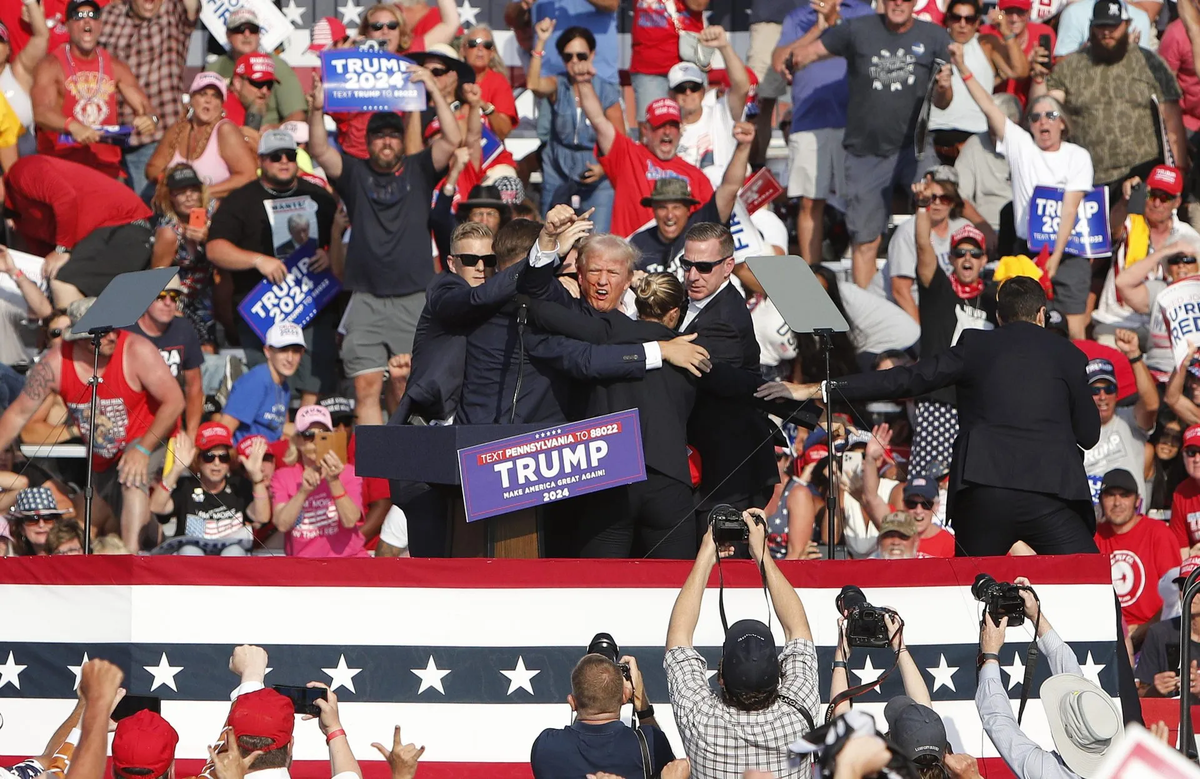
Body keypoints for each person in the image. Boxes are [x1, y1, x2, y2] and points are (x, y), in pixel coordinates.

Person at [758, 277, 1101, 555]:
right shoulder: (1069, 355)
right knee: (1091, 588)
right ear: (1041, 315)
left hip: (984, 495)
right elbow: (1088, 434)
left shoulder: (976, 346)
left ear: (999, 317)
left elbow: (903, 379)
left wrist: (818, 388)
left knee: (972, 594)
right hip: (1052, 496)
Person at [307, 66, 459, 427]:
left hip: (414, 298)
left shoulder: (420, 168)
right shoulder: (355, 173)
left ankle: (414, 473)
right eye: (379, 136)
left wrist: (434, 90)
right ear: (369, 142)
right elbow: (318, 149)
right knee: (366, 388)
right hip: (366, 299)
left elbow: (452, 140)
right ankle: (377, 475)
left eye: (393, 135)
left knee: (414, 390)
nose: (387, 142)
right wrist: (316, 109)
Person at [780, 0, 953, 288]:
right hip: (866, 153)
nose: (898, 2)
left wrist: (945, 88)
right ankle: (868, 317)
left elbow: (943, 103)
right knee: (866, 240)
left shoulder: (934, 36)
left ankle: (933, 302)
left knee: (937, 219)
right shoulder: (856, 29)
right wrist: (793, 62)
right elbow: (805, 55)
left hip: (916, 149)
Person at [0, 296, 185, 553]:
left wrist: (143, 449)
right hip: (103, 452)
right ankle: (155, 540)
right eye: (104, 332)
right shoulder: (55, 364)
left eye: (113, 329)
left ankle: (131, 562)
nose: (112, 337)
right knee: (119, 508)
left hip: (148, 435)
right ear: (83, 337)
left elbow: (175, 401)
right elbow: (18, 413)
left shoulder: (136, 350)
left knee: (132, 480)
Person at [951, 40, 1094, 337]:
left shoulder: (1077, 155)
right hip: (1025, 252)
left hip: (1067, 254)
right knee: (1022, 328)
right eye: (1036, 116)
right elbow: (988, 106)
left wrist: (1052, 261)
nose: (1043, 121)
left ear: (1063, 124)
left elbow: (1070, 207)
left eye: (1051, 115)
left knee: (1075, 329)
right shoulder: (1022, 146)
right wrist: (963, 67)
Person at [665, 509, 818, 778]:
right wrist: (762, 554)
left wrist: (705, 556)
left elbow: (679, 639)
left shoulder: (702, 722)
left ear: (721, 677)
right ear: (780, 677)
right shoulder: (798, 714)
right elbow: (798, 629)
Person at [207, 129, 339, 406]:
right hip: (261, 310)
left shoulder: (318, 196)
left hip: (312, 303)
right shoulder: (239, 200)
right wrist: (257, 260)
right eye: (274, 156)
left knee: (314, 384)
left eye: (290, 156)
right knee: (266, 384)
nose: (283, 161)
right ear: (260, 160)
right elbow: (215, 249)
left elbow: (343, 237)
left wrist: (331, 256)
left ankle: (307, 436)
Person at [978, 577, 1124, 778]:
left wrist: (990, 654)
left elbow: (998, 721)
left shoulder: (1049, 772)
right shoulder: (1125, 770)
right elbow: (1072, 676)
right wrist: (1037, 617)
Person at [1035, 0, 1186, 191]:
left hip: (1142, 174)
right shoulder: (1070, 68)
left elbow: (1171, 118)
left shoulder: (1150, 63)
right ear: (1091, 26)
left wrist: (1180, 170)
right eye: (1101, 26)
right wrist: (1039, 79)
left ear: (1127, 25)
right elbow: (1049, 108)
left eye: (1113, 26)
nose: (1107, 32)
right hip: (1087, 178)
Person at [773, 0, 873, 266]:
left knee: (859, 202)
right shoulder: (797, 17)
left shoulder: (863, 12)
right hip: (808, 120)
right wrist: (818, 28)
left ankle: (861, 275)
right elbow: (778, 63)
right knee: (809, 203)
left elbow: (872, 52)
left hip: (854, 121)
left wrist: (835, 20)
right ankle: (812, 278)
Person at [4, 154, 153, 307]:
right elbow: (43, 261)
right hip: (97, 242)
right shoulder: (17, 218)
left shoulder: (22, 171)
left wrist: (62, 249)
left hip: (123, 223)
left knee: (63, 283)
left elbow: (65, 198)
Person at [577, 71, 714, 238]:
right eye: (660, 126)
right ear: (645, 131)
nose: (667, 132)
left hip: (675, 261)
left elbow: (710, 227)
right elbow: (598, 120)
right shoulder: (627, 156)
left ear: (680, 131)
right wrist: (583, 83)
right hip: (629, 257)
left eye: (672, 126)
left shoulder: (697, 177)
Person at [31, 0, 157, 179]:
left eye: (93, 16)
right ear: (67, 26)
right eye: (79, 17)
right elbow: (41, 112)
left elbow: (145, 106)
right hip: (63, 166)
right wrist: (73, 126)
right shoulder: (51, 65)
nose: (87, 21)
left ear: (100, 25)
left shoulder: (115, 65)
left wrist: (150, 118)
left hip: (105, 167)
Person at [525, 22, 624, 232]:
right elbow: (533, 85)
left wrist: (604, 168)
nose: (575, 61)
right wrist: (541, 40)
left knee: (598, 240)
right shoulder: (558, 84)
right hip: (558, 170)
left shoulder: (606, 91)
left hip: (597, 175)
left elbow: (620, 141)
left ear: (592, 55)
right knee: (551, 235)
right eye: (568, 57)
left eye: (581, 55)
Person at [96, 0, 198, 199]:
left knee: (151, 206)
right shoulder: (108, 16)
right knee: (113, 210)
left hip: (157, 136)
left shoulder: (172, 14)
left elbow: (191, 7)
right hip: (111, 136)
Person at [630, 121, 755, 274]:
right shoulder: (638, 244)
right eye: (662, 207)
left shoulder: (702, 225)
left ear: (688, 209)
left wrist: (743, 147)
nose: (670, 215)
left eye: (676, 207)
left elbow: (730, 188)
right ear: (654, 210)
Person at [530, 652, 675, 777]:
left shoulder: (546, 745)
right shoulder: (648, 744)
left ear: (572, 702)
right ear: (625, 696)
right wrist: (641, 704)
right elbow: (672, 770)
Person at [1095, 165, 1198, 341]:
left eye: (1165, 198)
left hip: (1164, 329)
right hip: (1117, 321)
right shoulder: (1130, 222)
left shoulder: (1189, 237)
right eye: (1153, 195)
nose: (1157, 203)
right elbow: (1112, 228)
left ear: (1177, 202)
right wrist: (1125, 200)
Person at [870, 166, 975, 322]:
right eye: (931, 198)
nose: (938, 203)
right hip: (890, 311)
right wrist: (923, 333)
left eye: (945, 198)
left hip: (933, 308)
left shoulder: (964, 228)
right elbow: (900, 291)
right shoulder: (907, 231)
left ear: (953, 202)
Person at [1093, 467, 1181, 645]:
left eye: (1124, 495)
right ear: (1101, 500)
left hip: (1155, 633)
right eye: (1110, 495)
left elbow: (1176, 596)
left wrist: (1145, 628)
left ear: (1137, 500)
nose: (1117, 502)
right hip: (1107, 635)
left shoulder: (1158, 534)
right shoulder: (1094, 537)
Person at [150, 423, 268, 556]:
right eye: (209, 457)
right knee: (190, 551)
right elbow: (156, 507)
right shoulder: (186, 486)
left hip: (231, 562)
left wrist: (257, 478)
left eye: (223, 457)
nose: (216, 463)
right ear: (198, 459)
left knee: (234, 552)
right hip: (193, 562)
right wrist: (176, 469)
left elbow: (262, 517)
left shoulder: (239, 486)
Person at [928, 0, 1027, 155]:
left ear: (977, 22)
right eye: (956, 18)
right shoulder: (934, 43)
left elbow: (1019, 72)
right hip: (935, 130)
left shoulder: (986, 44)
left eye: (969, 19)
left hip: (977, 134)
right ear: (948, 19)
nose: (962, 24)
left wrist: (1006, 31)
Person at [271, 404, 367, 558]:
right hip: (304, 566)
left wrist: (334, 481)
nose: (316, 441)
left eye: (323, 434)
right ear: (297, 440)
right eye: (309, 434)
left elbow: (350, 521)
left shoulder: (347, 472)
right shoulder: (282, 476)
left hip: (348, 560)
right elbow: (282, 524)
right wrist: (303, 492)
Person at [144, 72, 257, 197]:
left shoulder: (225, 130)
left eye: (215, 96)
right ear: (192, 98)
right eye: (203, 94)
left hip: (216, 211)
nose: (208, 100)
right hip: (177, 210)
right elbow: (153, 167)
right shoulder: (178, 128)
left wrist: (202, 194)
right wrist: (171, 185)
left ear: (221, 104)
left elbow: (249, 176)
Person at [124, 275, 203, 440]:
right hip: (131, 427)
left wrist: (191, 435)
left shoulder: (184, 329)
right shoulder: (125, 333)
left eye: (174, 297)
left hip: (170, 425)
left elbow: (194, 387)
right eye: (160, 296)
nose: (168, 303)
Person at [667, 27, 751, 179]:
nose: (688, 93)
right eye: (681, 88)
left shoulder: (720, 114)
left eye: (693, 87)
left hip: (721, 197)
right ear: (671, 95)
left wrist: (724, 46)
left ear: (703, 91)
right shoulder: (665, 129)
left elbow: (742, 86)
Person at [148, 164, 218, 348]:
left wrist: (208, 238)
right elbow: (157, 278)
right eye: (180, 192)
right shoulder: (169, 231)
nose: (188, 197)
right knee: (201, 347)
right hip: (182, 297)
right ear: (171, 196)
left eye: (193, 190)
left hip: (213, 290)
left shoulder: (213, 212)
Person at [203, 9, 306, 129]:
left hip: (267, 139)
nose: (247, 34)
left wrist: (276, 130)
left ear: (259, 34)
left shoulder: (277, 66)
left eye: (253, 30)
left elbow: (298, 115)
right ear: (228, 35)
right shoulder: (214, 68)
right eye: (239, 29)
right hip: (223, 136)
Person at [1082, 346, 1158, 507]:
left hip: (1131, 524)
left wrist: (1134, 356)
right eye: (1095, 390)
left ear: (1117, 394)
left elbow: (1151, 405)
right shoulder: (1073, 430)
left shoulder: (1129, 419)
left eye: (1109, 389)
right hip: (1091, 527)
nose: (1102, 397)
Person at [215, 322, 304, 444]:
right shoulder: (257, 380)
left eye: (296, 351)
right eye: (283, 350)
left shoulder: (284, 387)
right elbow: (224, 431)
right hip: (246, 457)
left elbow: (279, 427)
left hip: (268, 456)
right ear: (267, 351)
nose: (290, 358)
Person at [628, 0, 709, 122]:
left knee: (697, 126)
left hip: (688, 64)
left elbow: (698, 4)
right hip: (648, 66)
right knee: (651, 129)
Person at [954, 92, 1020, 240]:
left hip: (1022, 229)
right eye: (990, 125)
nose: (993, 132)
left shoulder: (1030, 146)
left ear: (1015, 123)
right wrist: (981, 225)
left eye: (998, 126)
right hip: (984, 225)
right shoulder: (975, 145)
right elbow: (959, 196)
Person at [1136, 556, 1200, 697]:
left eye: (1196, 586)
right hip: (1169, 717)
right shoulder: (1159, 633)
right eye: (1183, 586)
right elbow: (1139, 694)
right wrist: (1155, 689)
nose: (1188, 593)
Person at [980, 0, 1055, 106]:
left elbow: (1052, 79)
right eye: (1009, 12)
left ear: (1029, 12)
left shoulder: (1043, 33)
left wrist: (1037, 68)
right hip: (994, 104)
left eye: (1020, 12)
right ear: (1000, 12)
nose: (1014, 19)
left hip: (1029, 105)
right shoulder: (986, 33)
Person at [458, 25, 517, 141]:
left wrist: (484, 106)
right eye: (473, 44)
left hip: (491, 154)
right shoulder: (453, 80)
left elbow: (503, 132)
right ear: (463, 50)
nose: (480, 49)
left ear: (492, 53)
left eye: (486, 45)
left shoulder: (499, 82)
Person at [1054, 0, 1155, 57]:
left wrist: (1131, 50)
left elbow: (1144, 68)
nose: (1107, 31)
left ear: (1128, 24)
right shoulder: (1073, 12)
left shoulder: (1140, 17)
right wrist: (1086, 51)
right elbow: (1060, 64)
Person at [7, 485, 68, 555]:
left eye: (47, 518)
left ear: (57, 523)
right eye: (32, 519)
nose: (41, 524)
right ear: (21, 528)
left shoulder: (68, 554)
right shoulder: (15, 560)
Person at [1169, 425, 1200, 558]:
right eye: (1192, 453)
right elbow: (1182, 551)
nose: (1197, 459)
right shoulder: (1181, 494)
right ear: (1183, 457)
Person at [1146, 412, 1185, 514]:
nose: (1168, 443)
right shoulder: (1144, 464)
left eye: (1176, 438)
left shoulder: (1184, 473)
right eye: (1165, 435)